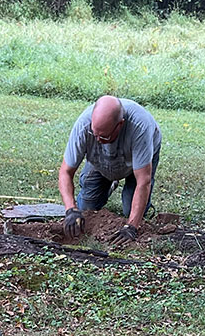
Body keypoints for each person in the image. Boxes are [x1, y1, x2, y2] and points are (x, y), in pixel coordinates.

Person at [58, 95, 161, 247]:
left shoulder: (140, 127)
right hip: (101, 160)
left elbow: (143, 181)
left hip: (136, 163)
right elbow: (65, 172)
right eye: (95, 134)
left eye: (104, 136)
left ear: (120, 125)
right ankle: (109, 183)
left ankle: (128, 191)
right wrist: (70, 209)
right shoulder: (84, 126)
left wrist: (131, 226)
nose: (98, 140)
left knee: (130, 210)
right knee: (86, 209)